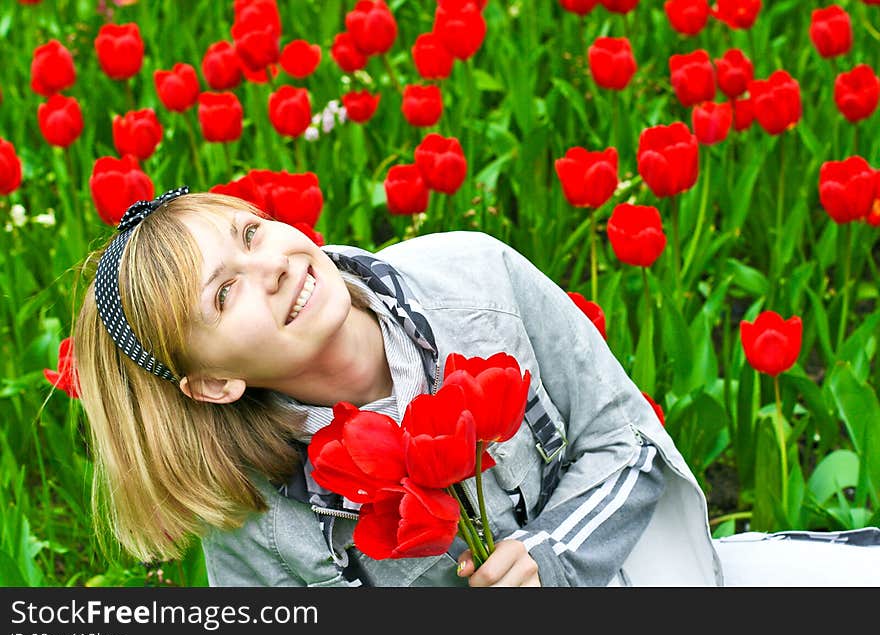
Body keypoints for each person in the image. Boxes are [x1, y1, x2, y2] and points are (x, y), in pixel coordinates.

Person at [73, 188, 879, 587]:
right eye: (225, 292)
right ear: (212, 382)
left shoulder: (474, 280)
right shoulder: (248, 510)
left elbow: (624, 442)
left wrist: (548, 556)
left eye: (251, 230)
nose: (274, 261)